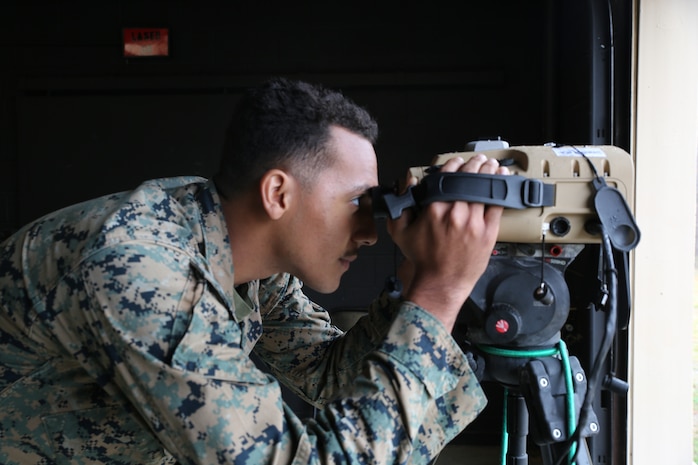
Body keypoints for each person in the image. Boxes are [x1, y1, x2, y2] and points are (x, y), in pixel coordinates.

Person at [0, 77, 508, 464]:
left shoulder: (248, 264)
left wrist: (420, 275)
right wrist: (441, 291)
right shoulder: (141, 268)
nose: (371, 231)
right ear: (278, 194)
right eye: (358, 202)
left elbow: (330, 374)